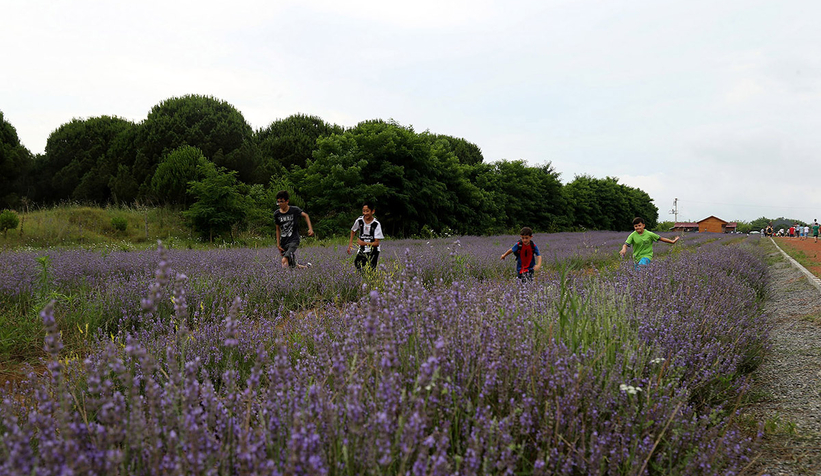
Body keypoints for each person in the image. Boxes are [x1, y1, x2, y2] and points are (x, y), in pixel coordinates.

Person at [274, 190, 314, 269]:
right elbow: (277, 229)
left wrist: (310, 229)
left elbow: (306, 215)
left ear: (287, 201)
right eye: (278, 202)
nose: (280, 204)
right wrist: (278, 245)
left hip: (294, 240)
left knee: (284, 260)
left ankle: (284, 276)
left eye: (281, 201)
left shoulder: (294, 210)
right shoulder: (277, 214)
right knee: (292, 265)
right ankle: (306, 268)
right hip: (284, 242)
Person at [347, 201, 384, 271]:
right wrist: (350, 244)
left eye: (367, 211)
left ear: (372, 211)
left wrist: (364, 243)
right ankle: (362, 277)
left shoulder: (376, 224)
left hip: (373, 250)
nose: (365, 213)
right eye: (363, 211)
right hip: (362, 249)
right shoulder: (359, 221)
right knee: (357, 264)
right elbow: (353, 230)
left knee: (370, 269)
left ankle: (370, 277)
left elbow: (376, 243)